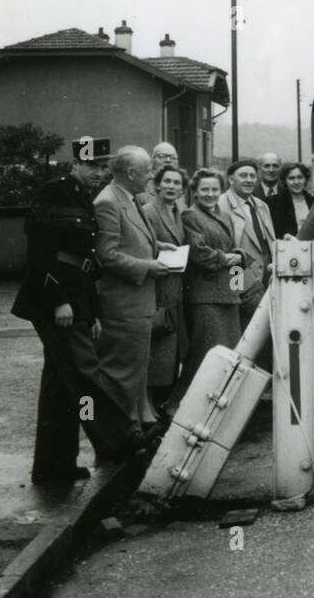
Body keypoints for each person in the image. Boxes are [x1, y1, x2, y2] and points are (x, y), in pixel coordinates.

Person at [11, 137, 144, 480]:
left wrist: (92, 311)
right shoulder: (54, 192)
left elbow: (86, 261)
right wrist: (60, 301)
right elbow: (41, 253)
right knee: (84, 372)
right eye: (93, 166)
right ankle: (120, 440)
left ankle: (53, 466)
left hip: (76, 299)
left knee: (60, 384)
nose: (100, 173)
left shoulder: (82, 197)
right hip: (53, 301)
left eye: (103, 167)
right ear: (76, 164)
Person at [93, 146, 172, 431]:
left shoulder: (128, 197)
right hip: (124, 306)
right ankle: (116, 435)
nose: (152, 176)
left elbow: (130, 239)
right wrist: (148, 266)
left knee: (133, 371)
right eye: (147, 171)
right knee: (120, 373)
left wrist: (158, 246)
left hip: (137, 303)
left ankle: (127, 431)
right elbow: (107, 254)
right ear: (130, 173)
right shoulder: (108, 202)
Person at [174, 168, 245, 394]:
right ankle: (185, 402)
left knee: (227, 353)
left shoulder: (224, 216)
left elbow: (233, 247)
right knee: (204, 353)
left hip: (227, 295)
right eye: (204, 189)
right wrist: (228, 258)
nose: (210, 194)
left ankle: (216, 404)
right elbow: (199, 253)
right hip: (205, 296)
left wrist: (240, 257)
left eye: (214, 189)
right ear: (194, 191)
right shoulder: (190, 216)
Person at [276, 160, 314, 388]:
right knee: (293, 321)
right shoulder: (276, 204)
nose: (296, 182)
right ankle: (295, 371)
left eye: (300, 178)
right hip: (291, 272)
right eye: (291, 178)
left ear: (306, 179)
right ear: (285, 181)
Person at [142, 163, 190, 417]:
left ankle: (160, 406)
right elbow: (142, 245)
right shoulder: (149, 212)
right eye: (167, 182)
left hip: (176, 289)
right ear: (157, 185)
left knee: (171, 353)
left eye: (177, 183)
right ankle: (149, 408)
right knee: (157, 351)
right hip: (158, 287)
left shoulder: (179, 212)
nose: (172, 187)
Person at [218, 158, 277, 336]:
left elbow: (270, 242)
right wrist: (237, 288)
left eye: (252, 176)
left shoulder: (261, 205)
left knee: (266, 335)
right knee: (244, 334)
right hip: (241, 281)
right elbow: (228, 250)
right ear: (230, 180)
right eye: (243, 175)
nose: (249, 180)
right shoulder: (220, 205)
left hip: (266, 279)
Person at [255, 152, 286, 229]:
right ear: (259, 169)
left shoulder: (287, 192)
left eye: (275, 166)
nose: (271, 170)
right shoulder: (251, 193)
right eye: (267, 166)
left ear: (280, 168)